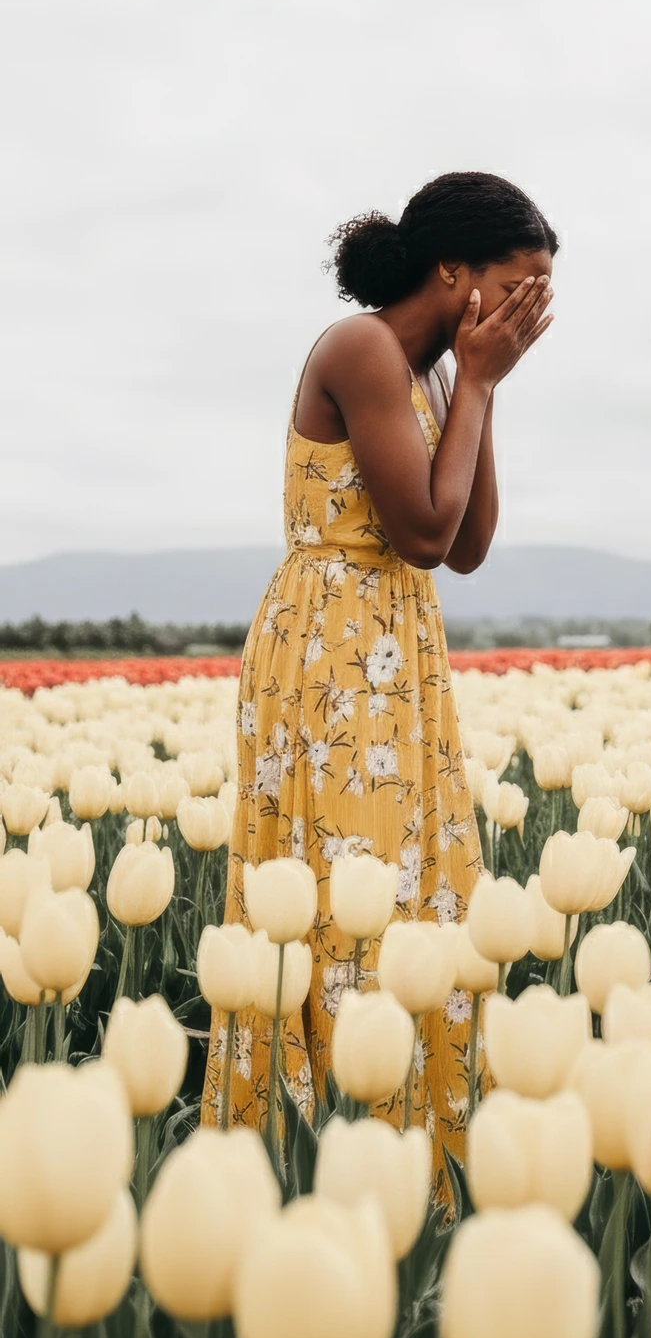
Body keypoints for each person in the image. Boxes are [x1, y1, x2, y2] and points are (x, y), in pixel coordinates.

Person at [201, 171, 556, 1182]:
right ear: (453, 271)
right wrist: (479, 384)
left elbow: (472, 541)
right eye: (518, 286)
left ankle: (413, 1162)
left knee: (410, 888)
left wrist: (478, 387)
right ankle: (309, 1159)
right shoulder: (359, 348)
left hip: (397, 640)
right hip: (333, 643)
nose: (531, 311)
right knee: (340, 880)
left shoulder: (437, 374)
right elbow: (421, 530)